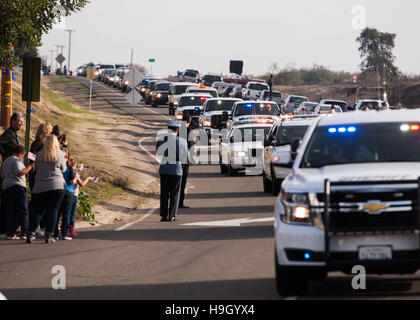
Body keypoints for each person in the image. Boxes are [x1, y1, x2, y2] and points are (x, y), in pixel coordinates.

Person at [26, 135, 67, 244]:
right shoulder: (59, 155)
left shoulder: (39, 155)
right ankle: (49, 235)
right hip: (56, 185)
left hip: (41, 186)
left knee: (38, 210)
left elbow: (36, 169)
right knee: (53, 210)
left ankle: (30, 233)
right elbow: (64, 168)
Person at [156, 121, 188, 222]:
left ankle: (164, 215)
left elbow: (158, 154)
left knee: (164, 193)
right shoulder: (182, 141)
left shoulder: (161, 140)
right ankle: (172, 215)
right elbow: (186, 157)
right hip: (176, 170)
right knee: (175, 194)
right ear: (177, 130)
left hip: (164, 169)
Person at [2, 145, 33, 240]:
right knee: (23, 209)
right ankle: (24, 231)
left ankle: (11, 232)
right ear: (20, 154)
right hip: (18, 186)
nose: (22, 157)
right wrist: (30, 167)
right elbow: (20, 172)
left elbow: (3, 174)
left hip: (7, 186)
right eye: (22, 155)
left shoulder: (6, 161)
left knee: (11, 210)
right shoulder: (16, 160)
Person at [0, 112, 24, 234]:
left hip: (14, 171)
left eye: (22, 121)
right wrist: (4, 155)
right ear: (13, 121)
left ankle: (8, 228)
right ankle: (6, 228)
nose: (21, 123)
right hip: (10, 173)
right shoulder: (9, 134)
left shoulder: (14, 134)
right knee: (9, 203)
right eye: (19, 121)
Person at [68, 156, 94, 238]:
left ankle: (63, 229)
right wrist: (88, 178)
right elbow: (82, 184)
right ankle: (71, 231)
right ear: (74, 165)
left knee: (65, 212)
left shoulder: (64, 171)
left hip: (65, 193)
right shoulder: (75, 174)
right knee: (72, 213)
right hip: (73, 194)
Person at [53, 149, 76, 241]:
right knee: (66, 213)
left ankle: (54, 232)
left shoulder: (56, 166)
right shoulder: (68, 168)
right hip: (68, 191)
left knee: (56, 212)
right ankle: (65, 232)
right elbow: (71, 181)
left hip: (57, 189)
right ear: (66, 158)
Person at [179, 115, 193, 209]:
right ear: (189, 121)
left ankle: (174, 202)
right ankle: (180, 203)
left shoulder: (177, 130)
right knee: (182, 182)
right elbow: (190, 147)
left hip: (175, 159)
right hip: (184, 160)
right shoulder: (188, 131)